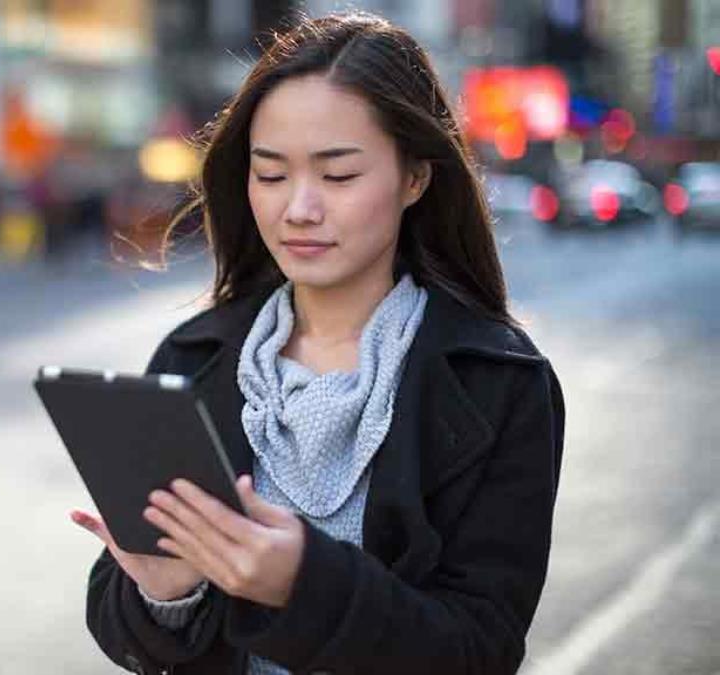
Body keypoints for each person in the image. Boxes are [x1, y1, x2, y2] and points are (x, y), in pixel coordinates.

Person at [69, 12, 566, 675]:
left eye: (337, 176)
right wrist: (167, 591)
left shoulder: (500, 383)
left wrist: (303, 586)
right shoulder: (194, 357)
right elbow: (125, 624)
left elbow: (479, 649)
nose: (298, 208)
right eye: (270, 174)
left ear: (415, 177)